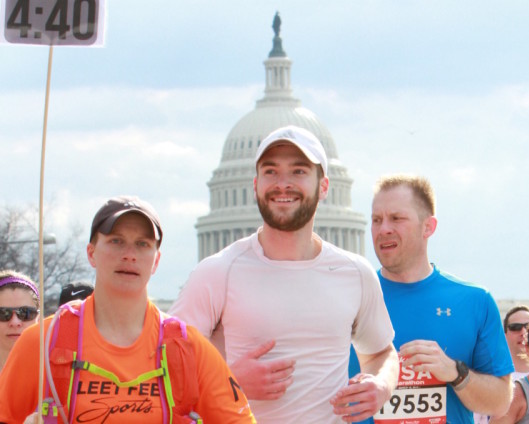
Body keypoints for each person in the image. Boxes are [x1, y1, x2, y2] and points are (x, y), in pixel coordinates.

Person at [170, 125, 399, 423]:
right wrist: (228, 381)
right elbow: (163, 370)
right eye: (271, 171)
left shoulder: (355, 273)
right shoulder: (218, 272)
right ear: (255, 185)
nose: (283, 184)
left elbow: (382, 353)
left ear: (324, 186)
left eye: (299, 171)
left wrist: (382, 385)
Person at [0, 195, 255, 423]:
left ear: (156, 260)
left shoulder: (189, 348)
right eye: (116, 241)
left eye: (142, 244)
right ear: (91, 253)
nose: (129, 255)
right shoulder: (42, 342)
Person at [349, 174, 514, 423]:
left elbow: (501, 402)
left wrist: (456, 373)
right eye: (376, 220)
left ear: (429, 226)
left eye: (396, 218)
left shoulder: (474, 301)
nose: (384, 229)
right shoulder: (348, 298)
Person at [0, 270, 39, 372]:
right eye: (3, 313)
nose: (15, 322)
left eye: (25, 313)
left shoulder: (52, 372)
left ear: (38, 317)